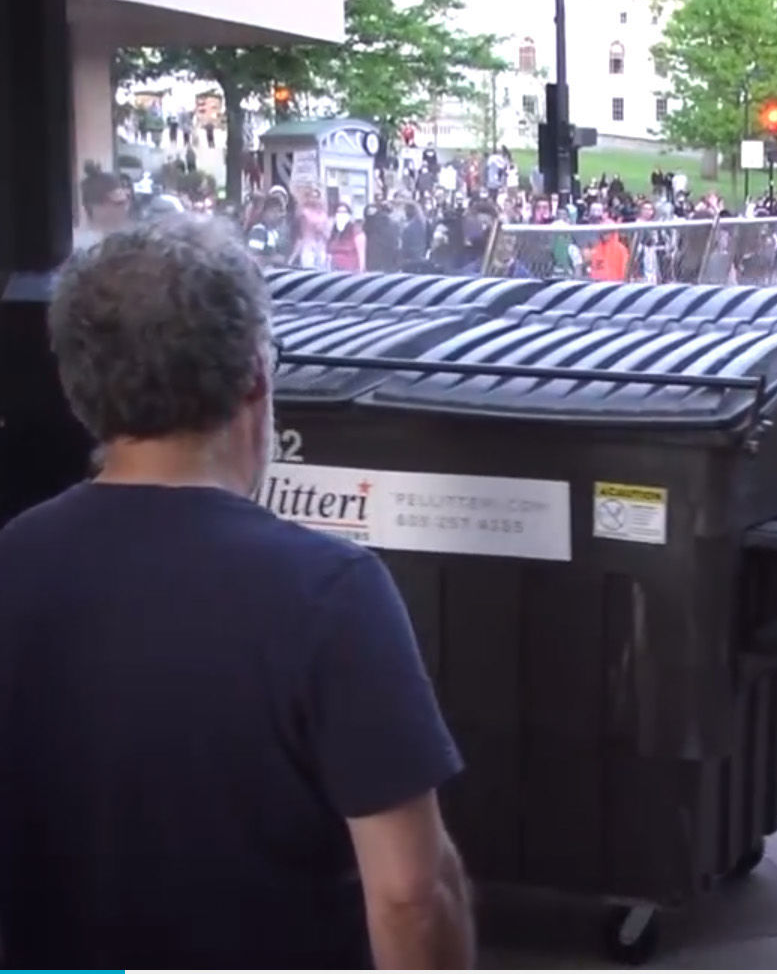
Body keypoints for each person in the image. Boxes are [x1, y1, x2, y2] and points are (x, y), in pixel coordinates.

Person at [0, 215, 474, 968]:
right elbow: (411, 892)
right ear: (256, 376)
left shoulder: (14, 560)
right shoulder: (331, 594)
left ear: (74, 383)